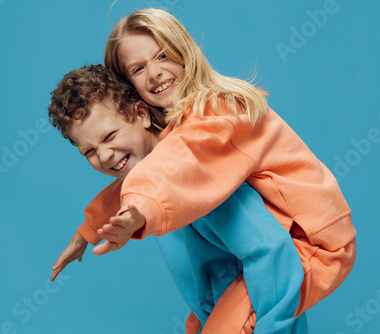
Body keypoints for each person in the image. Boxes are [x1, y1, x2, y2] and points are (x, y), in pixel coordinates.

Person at [74, 7, 357, 318]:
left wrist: (139, 209)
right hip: (283, 244)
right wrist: (89, 230)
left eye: (164, 56)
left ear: (186, 53)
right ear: (130, 87)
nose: (154, 72)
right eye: (138, 69)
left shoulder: (217, 111)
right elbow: (157, 167)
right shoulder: (178, 131)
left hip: (312, 242)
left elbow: (173, 163)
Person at [48, 64, 308, 333]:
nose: (104, 157)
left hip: (257, 317)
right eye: (89, 151)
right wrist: (85, 234)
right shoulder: (148, 175)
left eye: (110, 136)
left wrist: (266, 326)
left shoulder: (194, 172)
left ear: (141, 114)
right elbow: (123, 193)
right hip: (221, 315)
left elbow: (271, 250)